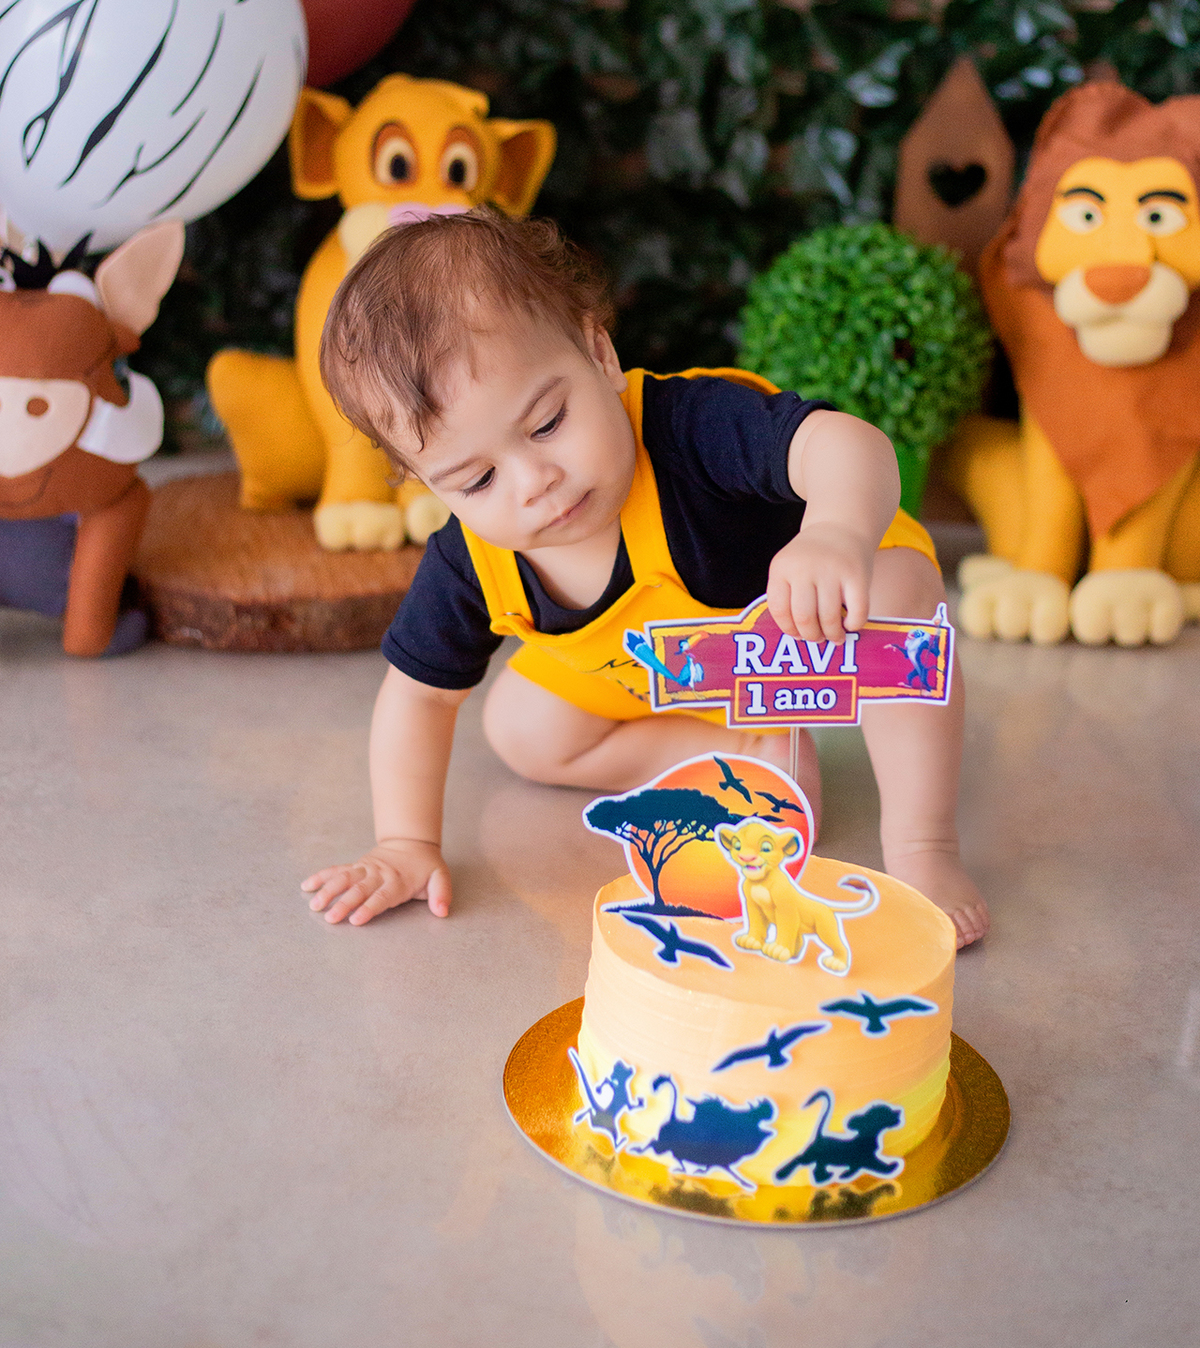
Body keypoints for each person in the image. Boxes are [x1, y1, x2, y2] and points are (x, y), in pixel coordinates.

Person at [301, 212, 989, 947]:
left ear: (598, 354)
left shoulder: (688, 428)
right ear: (428, 486)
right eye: (477, 479)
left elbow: (849, 443)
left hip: (812, 616)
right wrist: (405, 843)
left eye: (547, 423)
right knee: (521, 727)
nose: (536, 482)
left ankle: (924, 847)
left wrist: (836, 532)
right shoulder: (471, 559)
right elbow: (419, 697)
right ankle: (741, 751)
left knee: (900, 598)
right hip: (656, 669)